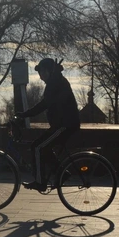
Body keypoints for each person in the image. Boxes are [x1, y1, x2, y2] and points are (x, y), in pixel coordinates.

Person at [15, 58, 80, 191]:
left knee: (38, 147)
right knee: (41, 147)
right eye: (39, 73)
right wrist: (26, 114)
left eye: (42, 72)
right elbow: (46, 103)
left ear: (49, 71)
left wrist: (24, 114)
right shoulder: (55, 81)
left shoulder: (55, 83)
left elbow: (44, 104)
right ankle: (62, 174)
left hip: (65, 125)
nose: (41, 76)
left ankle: (40, 182)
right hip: (62, 125)